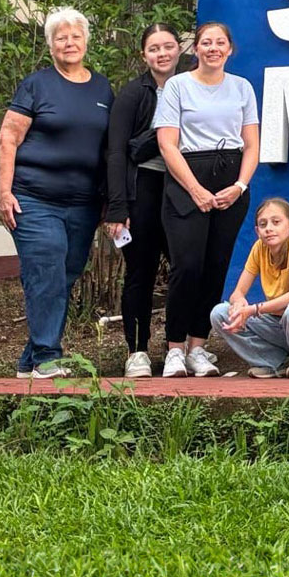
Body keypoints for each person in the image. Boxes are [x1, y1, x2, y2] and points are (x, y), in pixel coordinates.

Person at [0, 8, 113, 380]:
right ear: (50, 45)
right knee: (45, 269)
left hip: (83, 203)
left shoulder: (103, 88)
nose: (69, 43)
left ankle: (30, 360)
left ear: (86, 41)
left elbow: (109, 146)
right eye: (61, 37)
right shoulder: (37, 85)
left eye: (75, 36)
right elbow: (8, 138)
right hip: (33, 198)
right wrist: (4, 191)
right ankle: (48, 356)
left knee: (64, 274)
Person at [154, 22, 260, 377]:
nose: (213, 48)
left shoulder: (242, 88)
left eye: (220, 43)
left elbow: (252, 144)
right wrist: (195, 189)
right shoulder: (177, 86)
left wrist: (240, 185)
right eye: (206, 43)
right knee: (187, 266)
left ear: (230, 49)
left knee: (216, 266)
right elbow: (168, 143)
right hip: (188, 177)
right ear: (195, 49)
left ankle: (199, 346)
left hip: (230, 179)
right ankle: (174, 349)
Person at [103, 22, 186, 379]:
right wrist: (117, 207)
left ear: (178, 50)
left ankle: (177, 349)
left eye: (168, 46)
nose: (162, 54)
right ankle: (137, 350)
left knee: (186, 269)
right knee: (141, 272)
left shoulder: (192, 86)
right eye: (154, 48)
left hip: (184, 186)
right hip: (145, 188)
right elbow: (117, 152)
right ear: (144, 55)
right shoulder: (133, 94)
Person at [210, 198, 289, 378]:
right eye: (263, 224)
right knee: (220, 313)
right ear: (257, 231)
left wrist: (253, 310)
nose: (269, 228)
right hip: (278, 323)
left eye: (276, 222)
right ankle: (272, 362)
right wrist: (239, 304)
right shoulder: (259, 247)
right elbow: (238, 292)